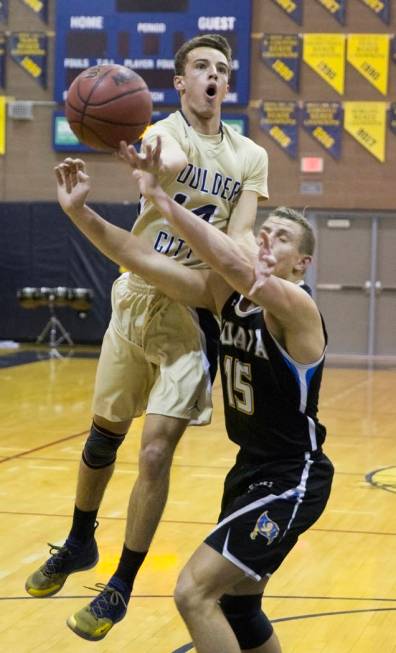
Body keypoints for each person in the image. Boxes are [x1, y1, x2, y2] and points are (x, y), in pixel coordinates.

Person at [25, 33, 269, 642]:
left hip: (193, 312)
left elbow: (241, 236)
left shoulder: (250, 156)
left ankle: (122, 583)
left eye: (222, 69)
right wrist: (158, 170)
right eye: (202, 68)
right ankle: (81, 539)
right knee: (103, 435)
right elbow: (164, 165)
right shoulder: (158, 132)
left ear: (226, 84)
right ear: (180, 83)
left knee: (156, 449)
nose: (214, 76)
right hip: (135, 294)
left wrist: (236, 258)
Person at [48, 148, 334, 653]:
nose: (266, 239)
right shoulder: (225, 294)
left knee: (193, 593)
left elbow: (228, 256)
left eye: (282, 238)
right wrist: (78, 212)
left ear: (302, 262)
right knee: (239, 608)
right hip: (250, 471)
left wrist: (162, 198)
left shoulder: (299, 308)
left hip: (293, 476)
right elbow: (139, 258)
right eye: (265, 230)